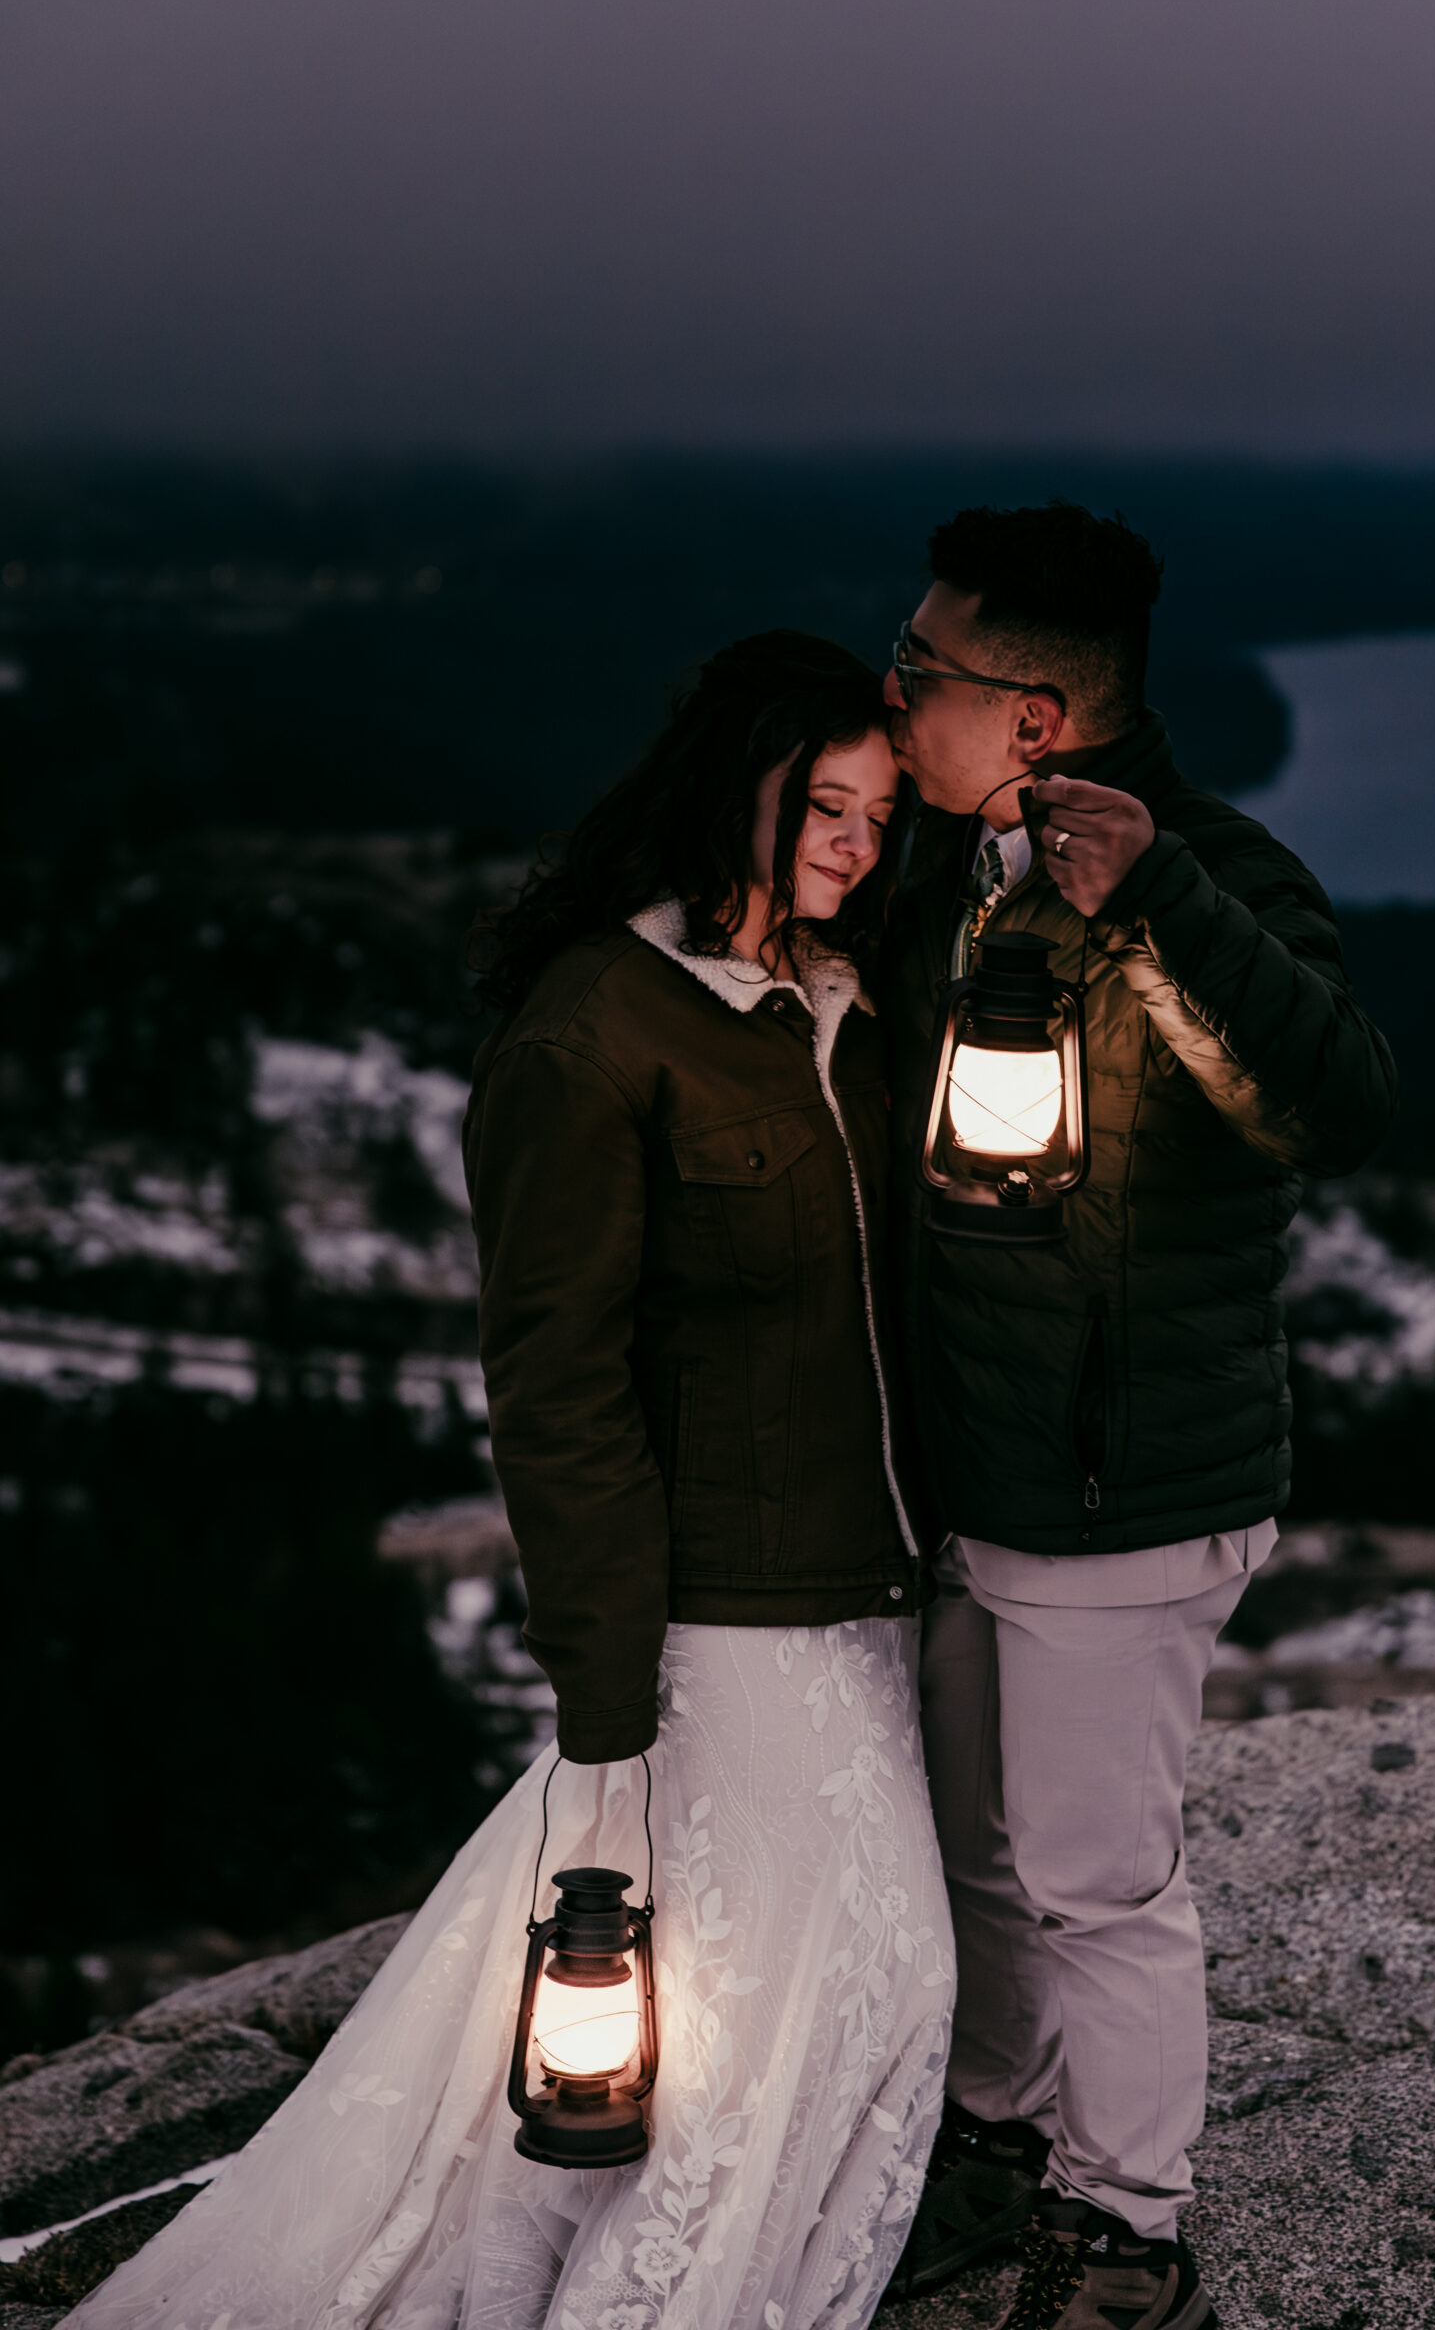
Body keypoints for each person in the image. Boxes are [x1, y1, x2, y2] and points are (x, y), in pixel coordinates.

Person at [62, 633, 951, 2330]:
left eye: (879, 812)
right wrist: (610, 1683)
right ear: (730, 796)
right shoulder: (593, 1031)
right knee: (827, 2000)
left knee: (859, 1990)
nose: (853, 844)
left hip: (867, 1588)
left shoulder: (836, 1000)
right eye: (821, 806)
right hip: (720, 1612)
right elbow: (556, 1387)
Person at [881, 505, 1398, 2330]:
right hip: (968, 1477)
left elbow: (1327, 1102)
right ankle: (1003, 2138)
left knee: (1099, 1877)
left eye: (922, 669)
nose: (894, 697)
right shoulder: (932, 868)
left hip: (1127, 1485)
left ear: (1031, 717)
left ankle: (1127, 2232)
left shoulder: (1222, 872)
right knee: (975, 1858)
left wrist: (1154, 895)